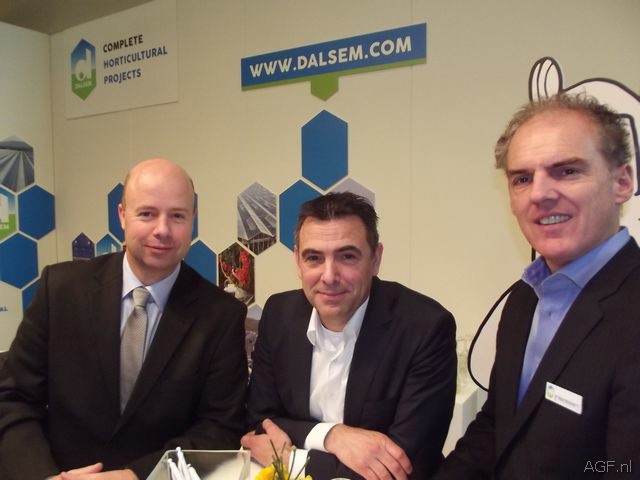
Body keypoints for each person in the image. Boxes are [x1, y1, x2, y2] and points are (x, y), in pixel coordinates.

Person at [0, 159, 248, 479]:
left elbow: (219, 428)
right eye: (147, 213)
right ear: (122, 215)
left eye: (177, 215)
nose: (162, 229)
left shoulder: (221, 315)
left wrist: (133, 475)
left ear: (192, 220)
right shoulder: (60, 289)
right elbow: (14, 399)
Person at [436, 94, 640, 479]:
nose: (539, 194)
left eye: (567, 171)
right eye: (522, 178)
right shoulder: (524, 297)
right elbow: (497, 427)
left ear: (622, 182)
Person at [242, 192, 457, 479]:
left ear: (375, 259)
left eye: (347, 256)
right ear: (297, 262)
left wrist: (292, 460)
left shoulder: (425, 327)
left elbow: (402, 466)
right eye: (314, 258)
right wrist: (333, 436)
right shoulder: (279, 314)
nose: (329, 276)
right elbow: (260, 424)